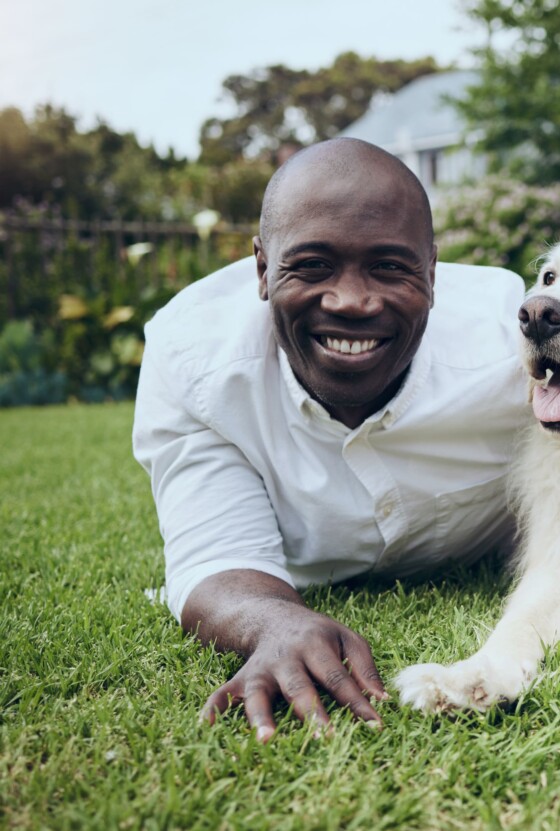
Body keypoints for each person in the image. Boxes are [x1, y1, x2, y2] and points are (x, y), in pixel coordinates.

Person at [132, 138, 529, 740]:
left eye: (390, 267)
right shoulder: (194, 363)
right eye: (313, 265)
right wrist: (272, 623)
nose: (351, 301)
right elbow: (217, 557)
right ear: (263, 269)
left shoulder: (513, 344)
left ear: (432, 272)